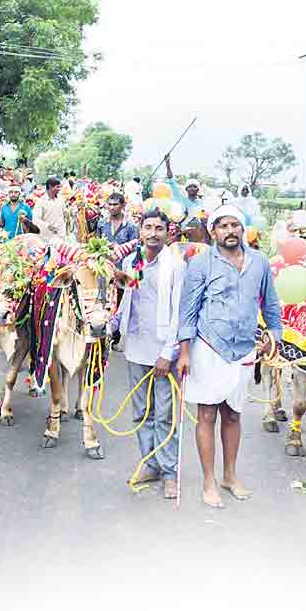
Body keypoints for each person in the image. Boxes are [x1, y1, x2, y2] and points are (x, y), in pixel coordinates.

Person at [175, 203, 281, 508]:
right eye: (223, 226)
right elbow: (188, 310)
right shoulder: (201, 263)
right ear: (213, 232)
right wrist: (184, 352)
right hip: (209, 346)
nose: (230, 231)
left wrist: (274, 336)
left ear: (243, 229)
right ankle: (209, 481)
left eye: (235, 225)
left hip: (244, 349)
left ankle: (229, 476)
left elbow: (270, 304)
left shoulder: (259, 262)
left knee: (233, 415)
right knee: (207, 414)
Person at [110, 209, 186, 498]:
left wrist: (169, 352)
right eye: (148, 227)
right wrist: (111, 325)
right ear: (140, 231)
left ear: (168, 233)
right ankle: (150, 463)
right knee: (142, 413)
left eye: (159, 228)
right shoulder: (132, 261)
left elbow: (179, 312)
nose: (153, 233)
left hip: (163, 352)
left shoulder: (176, 265)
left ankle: (170, 472)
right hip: (136, 348)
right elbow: (128, 299)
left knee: (165, 415)